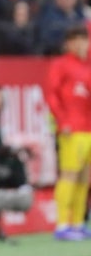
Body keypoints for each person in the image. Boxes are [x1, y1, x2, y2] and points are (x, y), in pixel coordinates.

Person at [43, 25, 91, 241]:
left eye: (85, 40)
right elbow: (52, 95)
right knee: (69, 174)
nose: (82, 44)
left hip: (89, 128)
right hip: (71, 128)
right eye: (77, 40)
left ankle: (78, 223)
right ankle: (62, 224)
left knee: (85, 177)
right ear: (69, 43)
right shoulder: (61, 65)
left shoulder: (88, 67)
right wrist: (62, 121)